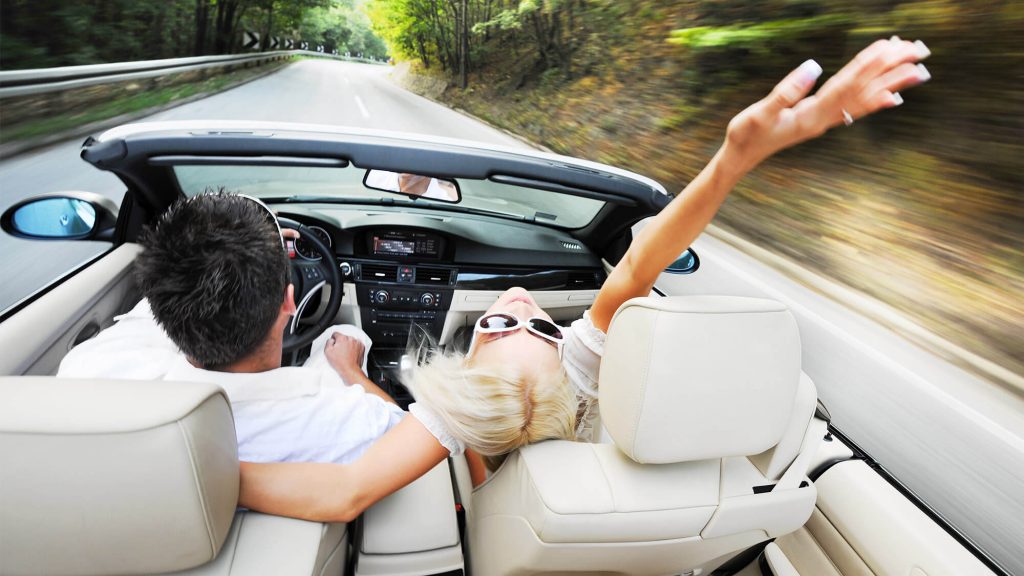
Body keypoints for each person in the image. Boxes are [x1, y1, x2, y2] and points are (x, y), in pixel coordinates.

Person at [236, 37, 933, 523]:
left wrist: (175, 474)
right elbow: (637, 264)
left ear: (468, 368)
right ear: (568, 364)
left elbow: (347, 490)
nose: (515, 304)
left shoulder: (456, 422)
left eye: (501, 325)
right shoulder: (567, 393)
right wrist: (734, 158)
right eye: (540, 324)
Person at [58, 192, 405, 465]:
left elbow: (156, 304)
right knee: (345, 337)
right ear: (290, 302)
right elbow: (401, 427)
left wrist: (238, 248)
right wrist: (351, 372)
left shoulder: (89, 369)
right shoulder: (340, 422)